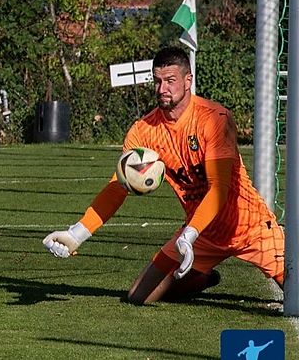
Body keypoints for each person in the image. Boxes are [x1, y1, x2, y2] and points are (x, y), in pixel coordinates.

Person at [43, 47, 284, 304]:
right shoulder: (143, 131)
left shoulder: (215, 119)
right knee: (138, 296)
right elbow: (117, 188)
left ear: (187, 80)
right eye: (157, 81)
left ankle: (200, 269)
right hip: (202, 234)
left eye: (170, 81)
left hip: (249, 227)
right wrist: (77, 234)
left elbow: (219, 188)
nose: (162, 89)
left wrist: (189, 234)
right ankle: (200, 278)